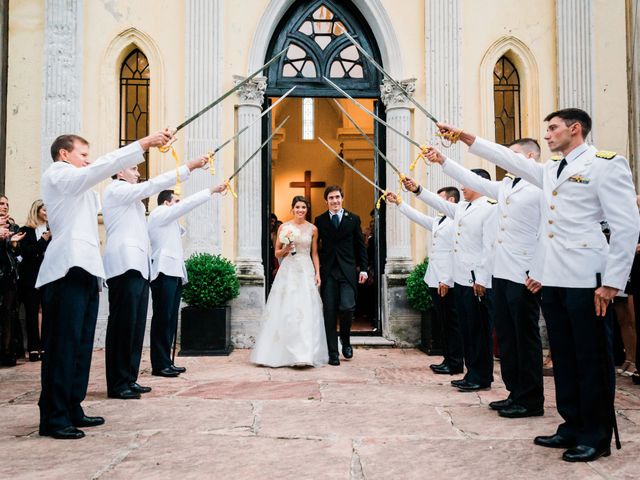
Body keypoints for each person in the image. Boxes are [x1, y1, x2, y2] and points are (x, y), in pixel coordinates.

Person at [437, 108, 639, 462]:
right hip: (555, 277)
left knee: (590, 358)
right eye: (546, 130)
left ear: (575, 130)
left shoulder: (605, 164)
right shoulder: (549, 171)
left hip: (588, 279)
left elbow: (626, 225)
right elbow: (502, 157)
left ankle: (595, 435)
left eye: (554, 128)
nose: (548, 135)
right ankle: (571, 425)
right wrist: (465, 136)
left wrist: (611, 283)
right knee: (564, 356)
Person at [37, 130, 173, 440]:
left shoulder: (85, 189)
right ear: (64, 155)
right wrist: (144, 143)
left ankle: (73, 406)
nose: (88, 160)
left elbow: (95, 174)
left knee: (82, 345)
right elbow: (101, 168)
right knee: (64, 345)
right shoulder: (58, 174)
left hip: (87, 268)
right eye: (83, 154)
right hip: (65, 269)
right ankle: (54, 416)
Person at [425, 139, 545, 418]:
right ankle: (515, 392)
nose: (507, 159)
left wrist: (538, 271)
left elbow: (545, 231)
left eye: (513, 154)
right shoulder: (505, 188)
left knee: (524, 338)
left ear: (530, 156)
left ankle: (531, 399)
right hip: (501, 273)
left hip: (523, 275)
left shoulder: (539, 185)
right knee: (507, 338)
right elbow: (469, 179)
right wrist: (443, 160)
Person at [102, 155, 210, 399]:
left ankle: (129, 377)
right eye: (133, 168)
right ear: (119, 173)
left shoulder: (137, 205)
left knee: (136, 326)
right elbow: (151, 186)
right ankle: (118, 383)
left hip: (140, 267)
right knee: (123, 326)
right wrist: (188, 166)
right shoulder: (115, 190)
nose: (138, 173)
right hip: (124, 264)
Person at [403, 171, 497, 392]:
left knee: (479, 332)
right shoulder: (463, 208)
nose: (462, 188)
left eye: (466, 184)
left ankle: (482, 376)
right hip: (462, 279)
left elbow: (489, 246)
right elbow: (437, 203)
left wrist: (482, 278)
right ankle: (472, 373)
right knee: (467, 330)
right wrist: (417, 189)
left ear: (479, 184)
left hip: (478, 282)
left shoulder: (490, 207)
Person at [148, 184, 226, 377]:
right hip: (163, 272)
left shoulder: (171, 222)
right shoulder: (159, 213)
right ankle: (159, 364)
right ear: (166, 203)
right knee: (162, 319)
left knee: (171, 319)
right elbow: (187, 206)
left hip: (174, 273)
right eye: (176, 202)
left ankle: (167, 361)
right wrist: (210, 190)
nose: (179, 205)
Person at [386, 187, 464, 376]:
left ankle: (455, 362)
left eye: (441, 199)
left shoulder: (457, 222)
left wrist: (446, 279)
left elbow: (456, 253)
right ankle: (448, 358)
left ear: (451, 200)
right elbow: (419, 218)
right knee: (442, 322)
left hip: (448, 281)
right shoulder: (440, 221)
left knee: (451, 323)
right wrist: (399, 203)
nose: (437, 203)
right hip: (434, 278)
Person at [251, 195, 329, 367]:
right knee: (287, 309)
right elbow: (276, 253)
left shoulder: (313, 229)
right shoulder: (285, 227)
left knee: (306, 309)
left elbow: (314, 253)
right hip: (288, 270)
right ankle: (282, 353)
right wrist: (285, 248)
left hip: (306, 269)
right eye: (298, 207)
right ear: (292, 209)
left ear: (307, 210)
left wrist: (318, 273)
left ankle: (305, 354)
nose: (300, 210)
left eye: (304, 207)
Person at [314, 186, 368, 366]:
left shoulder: (353, 219)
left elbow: (361, 246)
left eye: (337, 197)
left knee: (347, 307)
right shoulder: (320, 220)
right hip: (328, 272)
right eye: (331, 198)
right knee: (329, 312)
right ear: (326, 201)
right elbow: (315, 247)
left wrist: (364, 269)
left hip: (347, 272)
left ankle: (345, 340)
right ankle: (332, 353)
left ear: (342, 198)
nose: (335, 201)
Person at [18, 199, 51, 362]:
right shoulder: (26, 230)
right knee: (31, 312)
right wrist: (42, 241)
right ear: (36, 211)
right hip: (31, 277)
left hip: (49, 275)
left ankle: (44, 346)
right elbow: (26, 253)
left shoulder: (53, 230)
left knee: (46, 311)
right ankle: (33, 347)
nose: (47, 213)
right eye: (45, 210)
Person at [0, 194, 25, 367]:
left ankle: (8, 353)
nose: (5, 207)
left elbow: (16, 254)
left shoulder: (13, 225)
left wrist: (13, 243)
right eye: (1, 204)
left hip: (8, 275)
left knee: (8, 314)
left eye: (7, 204)